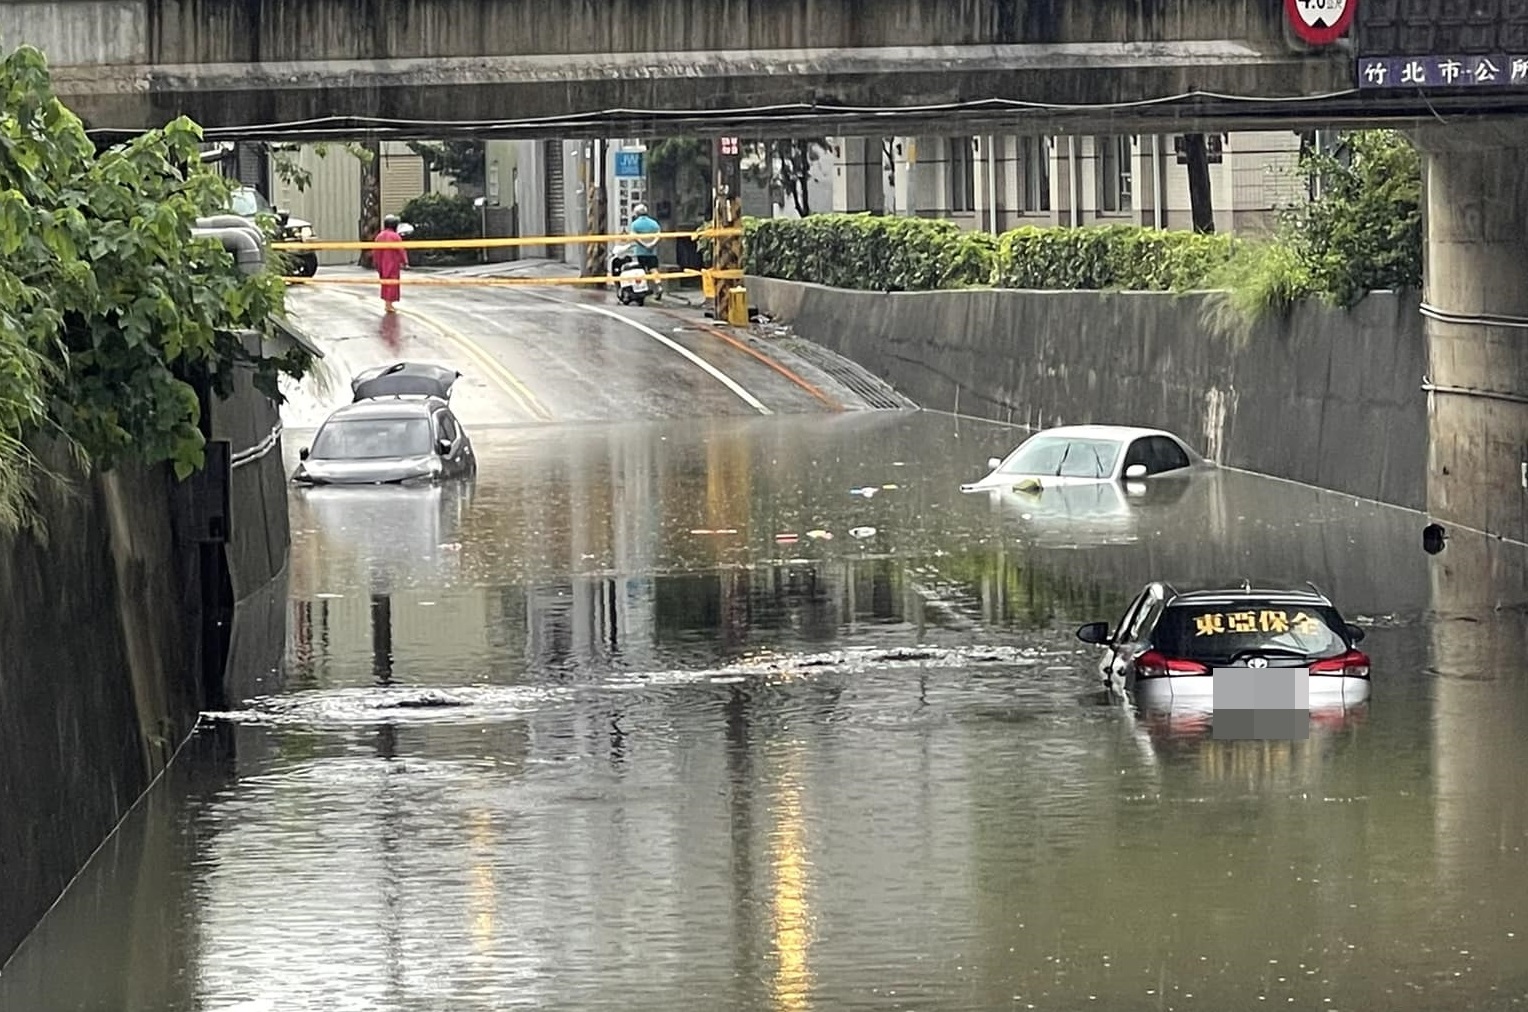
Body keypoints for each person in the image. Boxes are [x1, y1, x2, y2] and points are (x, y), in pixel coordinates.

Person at [373, 214, 409, 313]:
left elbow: (375, 251)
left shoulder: (379, 236)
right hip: (392, 263)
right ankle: (388, 305)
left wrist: (375, 262)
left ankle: (388, 303)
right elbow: (401, 250)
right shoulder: (395, 236)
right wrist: (405, 262)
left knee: (385, 283)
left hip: (381, 263)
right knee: (392, 284)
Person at [628, 203, 661, 296]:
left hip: (640, 251)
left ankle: (643, 289)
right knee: (653, 269)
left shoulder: (635, 224)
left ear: (637, 213)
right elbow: (659, 235)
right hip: (652, 252)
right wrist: (652, 244)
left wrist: (644, 244)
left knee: (641, 270)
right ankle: (658, 285)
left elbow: (634, 237)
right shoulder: (654, 223)